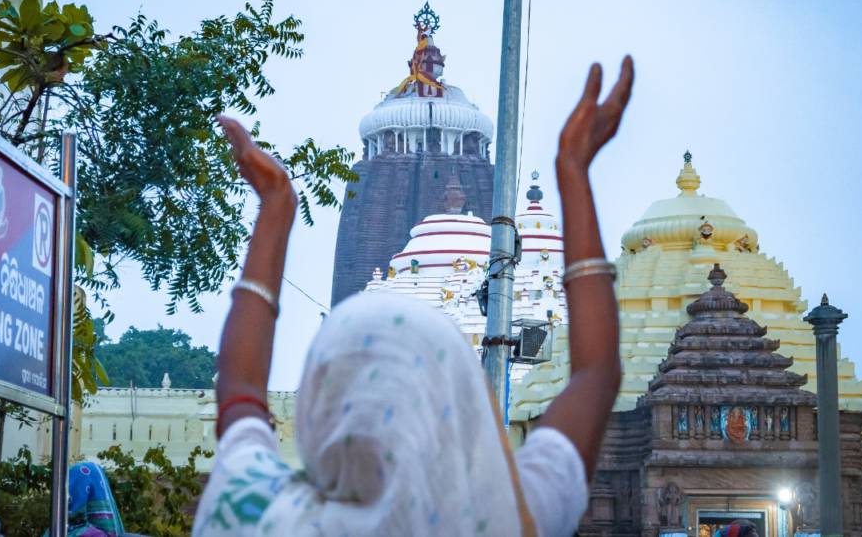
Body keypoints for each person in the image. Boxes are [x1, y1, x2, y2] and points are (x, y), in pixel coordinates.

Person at [192, 57, 635, 536]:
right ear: (460, 402)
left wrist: (276, 207)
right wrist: (574, 170)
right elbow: (597, 374)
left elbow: (239, 394)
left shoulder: (255, 514)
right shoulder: (508, 518)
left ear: (317, 410)